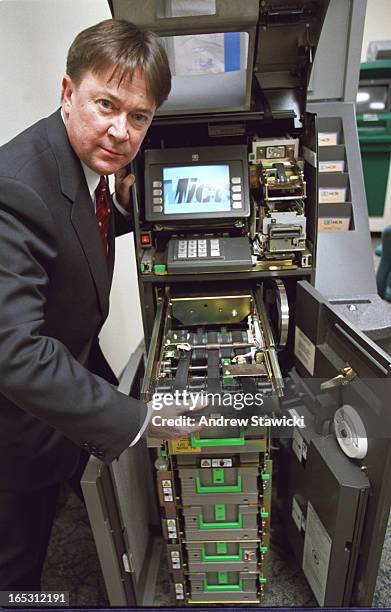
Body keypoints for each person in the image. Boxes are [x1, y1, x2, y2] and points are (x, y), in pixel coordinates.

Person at [0, 18, 201, 590]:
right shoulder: (14, 188)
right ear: (68, 93)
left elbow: (70, 236)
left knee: (94, 502)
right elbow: (14, 352)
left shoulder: (86, 168)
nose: (121, 131)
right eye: (106, 105)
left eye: (139, 116)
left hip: (72, 373)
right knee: (18, 563)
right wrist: (138, 419)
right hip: (15, 426)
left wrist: (129, 211)